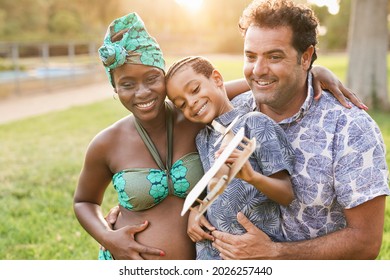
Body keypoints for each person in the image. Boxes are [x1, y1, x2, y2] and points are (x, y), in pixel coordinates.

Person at [74, 11, 365, 260]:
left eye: (152, 79)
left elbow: (246, 83)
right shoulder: (107, 143)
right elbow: (83, 201)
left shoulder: (192, 119)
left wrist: (313, 71)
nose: (142, 92)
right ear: (115, 88)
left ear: (162, 77)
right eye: (126, 84)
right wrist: (108, 236)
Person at [210, 0, 390, 260]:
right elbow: (178, 103)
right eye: (251, 57)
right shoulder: (232, 113)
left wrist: (275, 254)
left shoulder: (350, 129)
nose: (258, 69)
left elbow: (365, 241)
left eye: (274, 56)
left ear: (305, 57)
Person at [165, 55, 295, 259]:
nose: (191, 103)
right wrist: (196, 211)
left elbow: (287, 194)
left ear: (217, 79)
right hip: (211, 254)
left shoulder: (255, 124)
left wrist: (252, 177)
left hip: (253, 253)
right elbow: (213, 187)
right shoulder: (203, 138)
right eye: (181, 104)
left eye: (195, 90)